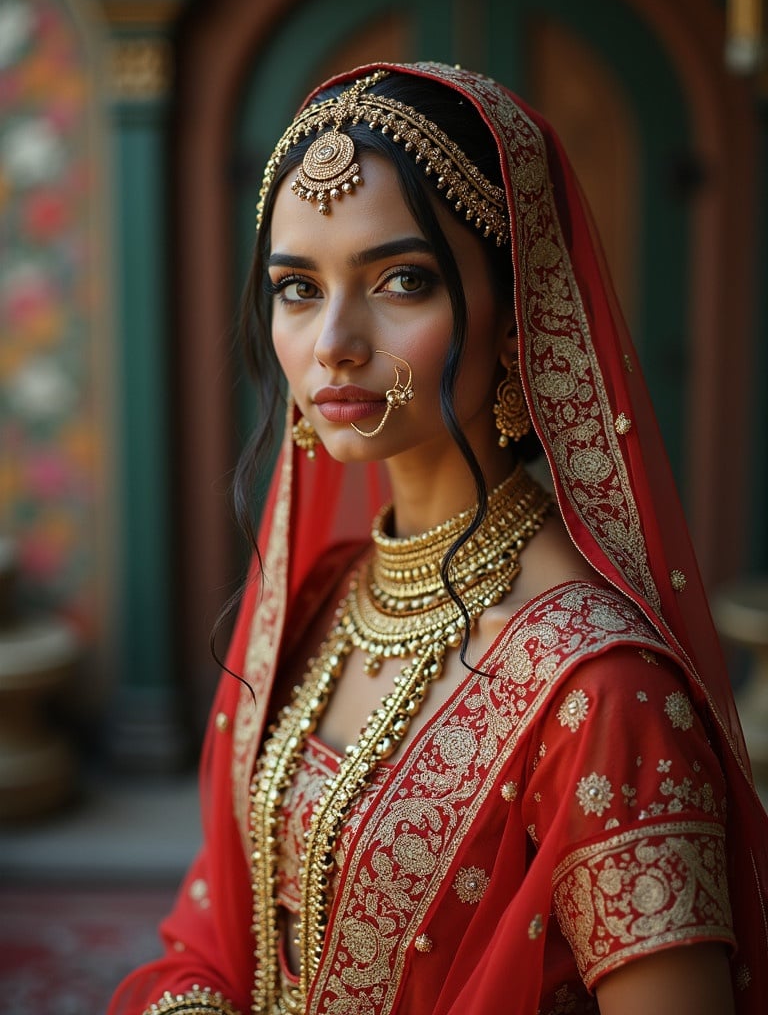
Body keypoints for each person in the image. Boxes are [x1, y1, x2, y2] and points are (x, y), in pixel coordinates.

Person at [109, 62, 768, 1015]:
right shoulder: (325, 600)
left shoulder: (604, 693)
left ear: (518, 321)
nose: (333, 339)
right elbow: (218, 931)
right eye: (297, 288)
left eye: (401, 280)